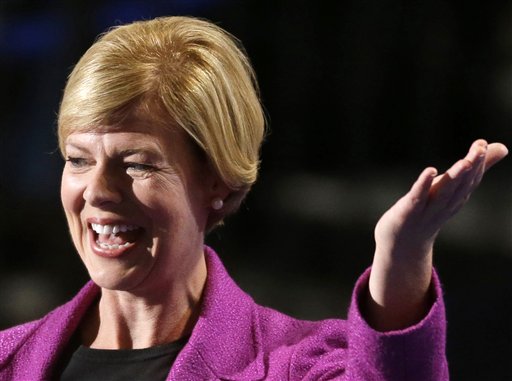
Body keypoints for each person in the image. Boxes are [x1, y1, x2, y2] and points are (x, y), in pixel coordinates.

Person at [0, 16, 507, 381]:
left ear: (217, 180)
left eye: (137, 163)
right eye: (79, 159)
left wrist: (403, 257)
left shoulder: (297, 363)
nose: (99, 192)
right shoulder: (9, 358)